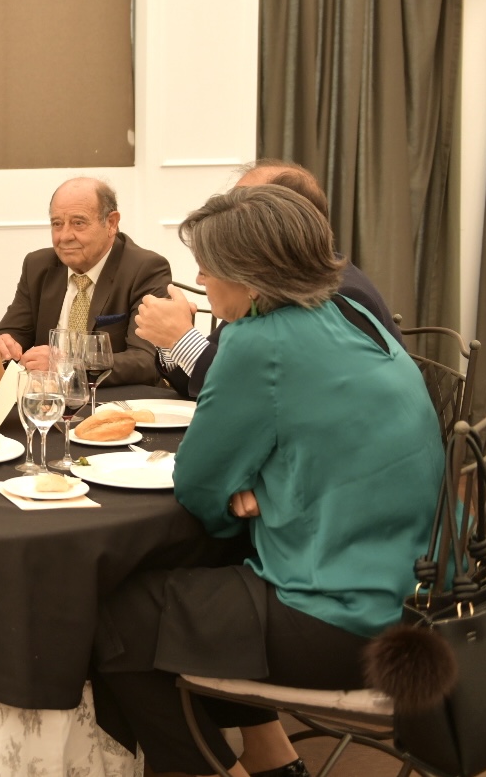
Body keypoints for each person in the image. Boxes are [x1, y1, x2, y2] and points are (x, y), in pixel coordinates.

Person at [91, 186, 443, 777]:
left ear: (251, 278)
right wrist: (260, 484)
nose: (198, 277)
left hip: (345, 617)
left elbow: (199, 488)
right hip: (421, 592)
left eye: (207, 265)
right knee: (196, 585)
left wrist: (238, 493)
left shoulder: (259, 343)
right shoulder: (351, 311)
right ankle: (267, 757)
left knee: (114, 617)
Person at [135, 160, 403, 399]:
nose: (228, 214)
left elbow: (262, 395)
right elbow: (202, 382)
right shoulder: (267, 288)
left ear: (284, 218)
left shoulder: (337, 296)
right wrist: (171, 340)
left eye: (245, 206)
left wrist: (182, 338)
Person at [0, 177, 171, 384]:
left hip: (112, 403)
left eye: (78, 223)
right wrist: (2, 343)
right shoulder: (37, 265)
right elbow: (13, 331)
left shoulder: (145, 268)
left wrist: (67, 365)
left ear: (111, 223)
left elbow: (145, 361)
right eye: (57, 224)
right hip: (46, 401)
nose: (64, 236)